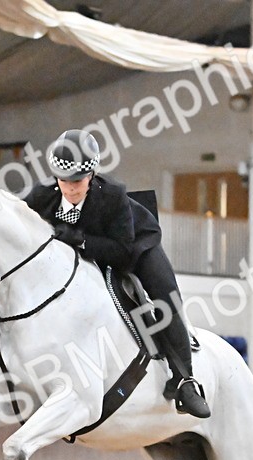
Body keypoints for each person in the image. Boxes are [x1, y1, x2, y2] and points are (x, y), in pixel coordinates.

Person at [25, 129, 210, 419]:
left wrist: (81, 240)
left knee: (165, 299)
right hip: (85, 249)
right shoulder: (41, 196)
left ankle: (185, 380)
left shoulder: (113, 194)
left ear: (91, 175)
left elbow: (122, 250)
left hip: (135, 245)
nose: (71, 188)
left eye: (78, 181)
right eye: (64, 181)